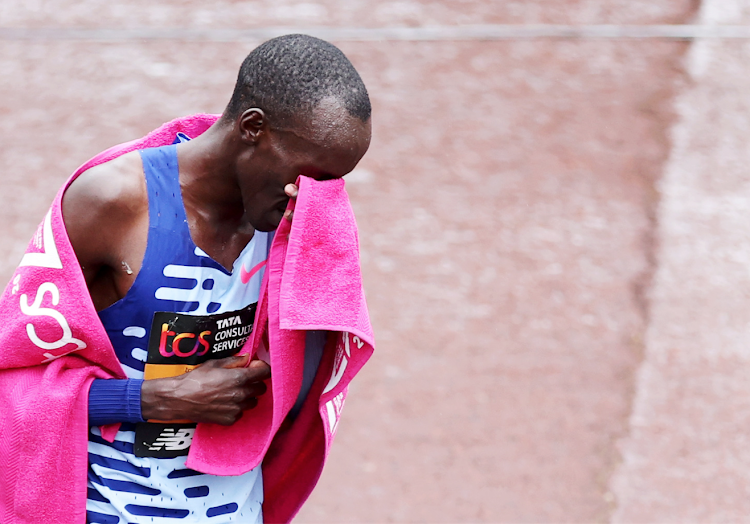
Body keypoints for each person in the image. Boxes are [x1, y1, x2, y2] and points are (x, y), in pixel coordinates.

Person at [59, 34, 372, 523]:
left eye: (334, 181)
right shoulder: (113, 204)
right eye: (308, 174)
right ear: (253, 128)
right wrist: (154, 400)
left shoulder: (299, 224)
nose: (315, 197)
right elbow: (15, 384)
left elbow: (303, 398)